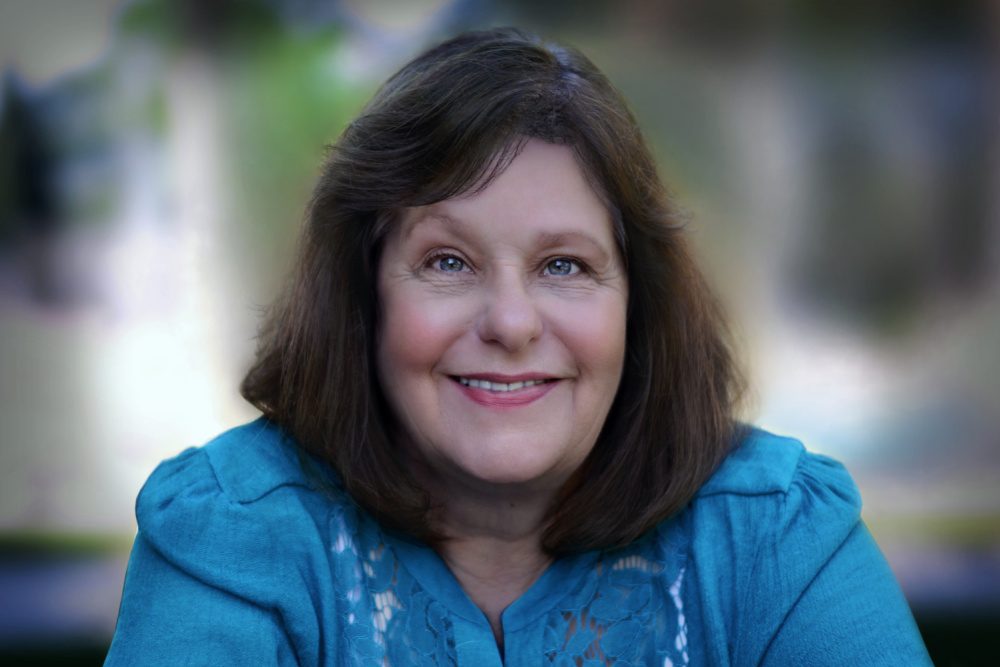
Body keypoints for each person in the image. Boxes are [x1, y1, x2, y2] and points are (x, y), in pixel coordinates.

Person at [105, 28, 932, 666]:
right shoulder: (230, 534)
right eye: (448, 261)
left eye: (564, 265)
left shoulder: (776, 533)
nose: (511, 322)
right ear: (364, 295)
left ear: (637, 304)